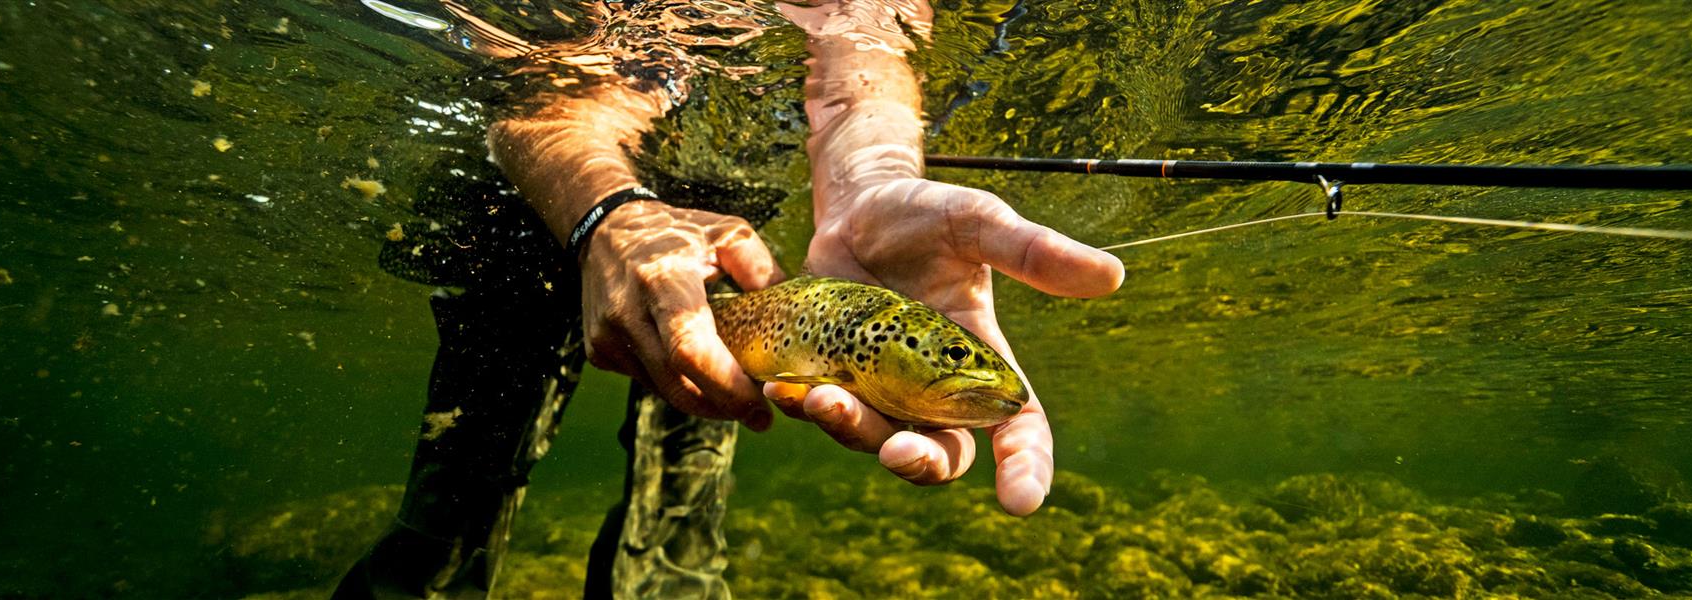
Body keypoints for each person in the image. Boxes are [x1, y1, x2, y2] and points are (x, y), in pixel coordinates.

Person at [337, 0, 1123, 597]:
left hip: (721, 267)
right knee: (447, 516)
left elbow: (863, 39)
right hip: (521, 229)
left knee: (678, 539)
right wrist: (609, 216)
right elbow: (546, 91)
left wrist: (873, 176)